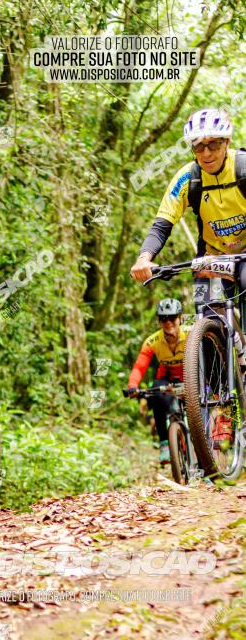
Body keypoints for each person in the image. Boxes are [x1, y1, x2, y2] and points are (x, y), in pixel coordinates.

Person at [130, 107, 246, 449]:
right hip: (210, 257)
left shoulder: (242, 167)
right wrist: (145, 258)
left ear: (226, 142)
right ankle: (218, 404)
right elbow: (162, 223)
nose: (206, 153)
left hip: (244, 256)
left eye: (213, 144)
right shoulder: (188, 178)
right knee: (205, 323)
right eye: (199, 147)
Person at [127, 298, 187, 464]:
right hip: (166, 379)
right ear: (158, 321)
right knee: (156, 393)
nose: (168, 322)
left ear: (180, 318)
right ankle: (164, 443)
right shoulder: (152, 341)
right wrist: (133, 385)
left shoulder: (191, 334)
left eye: (172, 317)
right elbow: (139, 367)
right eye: (163, 319)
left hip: (190, 376)